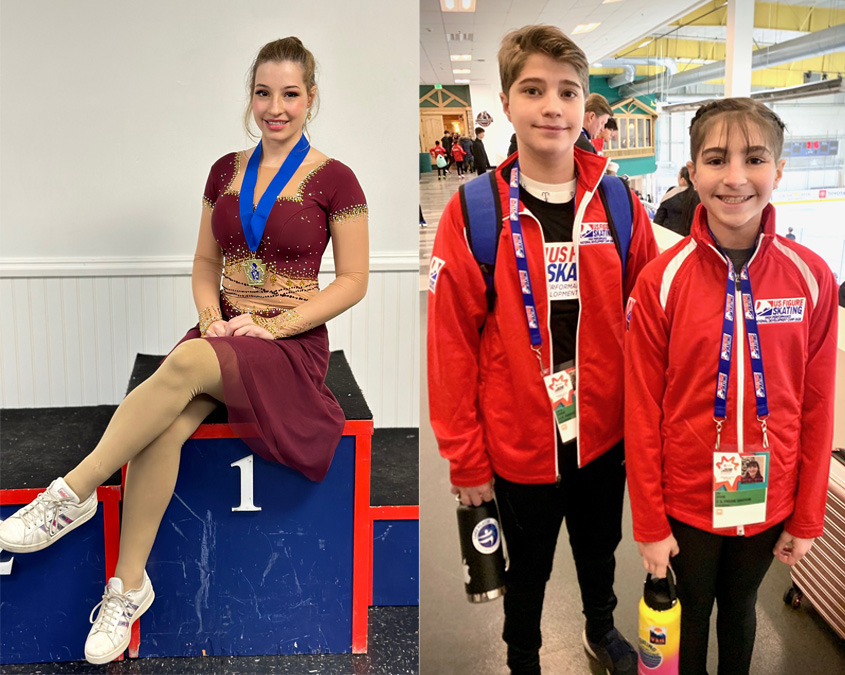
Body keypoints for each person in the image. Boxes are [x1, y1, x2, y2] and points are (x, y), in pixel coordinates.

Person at [0, 37, 369, 665]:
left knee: (189, 362)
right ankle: (128, 588)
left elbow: (353, 280)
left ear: (311, 99)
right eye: (262, 93)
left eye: (289, 95)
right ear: (249, 97)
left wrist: (274, 328)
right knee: (163, 429)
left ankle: (72, 494)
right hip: (220, 333)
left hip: (286, 345)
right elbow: (205, 262)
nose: (274, 108)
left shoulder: (337, 179)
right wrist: (211, 317)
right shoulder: (224, 170)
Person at [428, 25, 658, 675]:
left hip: (603, 431)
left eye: (566, 92)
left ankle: (597, 626)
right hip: (517, 437)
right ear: (507, 102)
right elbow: (449, 347)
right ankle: (521, 653)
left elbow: (648, 322)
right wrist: (464, 458)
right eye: (533, 90)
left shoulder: (618, 204)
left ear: (585, 106)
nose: (551, 106)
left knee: (598, 544)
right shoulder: (474, 211)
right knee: (525, 562)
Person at [625, 98, 837, 675]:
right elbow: (641, 409)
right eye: (717, 159)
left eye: (755, 158)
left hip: (772, 494)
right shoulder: (660, 281)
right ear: (693, 172)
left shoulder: (811, 277)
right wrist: (648, 521)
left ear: (780, 170)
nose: (736, 177)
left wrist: (808, 515)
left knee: (740, 608)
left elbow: (818, 408)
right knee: (693, 612)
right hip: (687, 496)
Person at [653, 166, 700, 236]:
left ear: (682, 180)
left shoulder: (671, 193)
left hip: (668, 236)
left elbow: (659, 219)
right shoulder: (698, 196)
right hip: (689, 239)